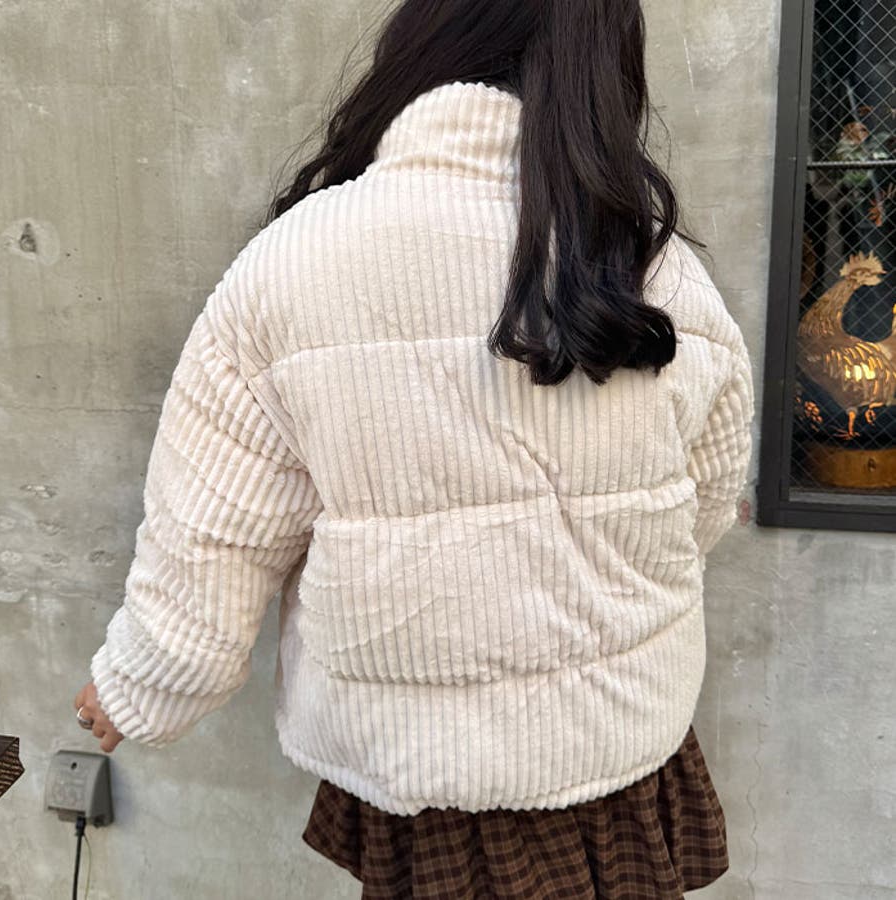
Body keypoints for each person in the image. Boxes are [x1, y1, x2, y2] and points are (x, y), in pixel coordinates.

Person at [74, 0, 755, 896]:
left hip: (430, 781)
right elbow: (702, 504)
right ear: (605, 72)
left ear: (424, 43)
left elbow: (215, 540)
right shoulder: (656, 272)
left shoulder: (293, 264)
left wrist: (139, 689)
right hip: (624, 755)